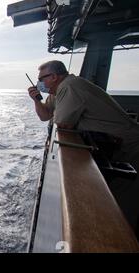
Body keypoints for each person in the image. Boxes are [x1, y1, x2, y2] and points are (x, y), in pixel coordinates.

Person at [28, 60, 139, 234]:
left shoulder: (70, 86)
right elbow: (45, 116)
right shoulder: (56, 92)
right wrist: (36, 100)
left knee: (122, 204)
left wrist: (55, 115)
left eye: (41, 78)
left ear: (54, 77)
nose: (38, 83)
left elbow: (63, 124)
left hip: (129, 146)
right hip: (111, 144)